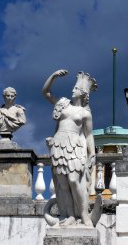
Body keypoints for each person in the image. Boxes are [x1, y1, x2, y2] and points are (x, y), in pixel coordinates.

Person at [42, 69, 97, 227]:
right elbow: (46, 92)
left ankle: (84, 214)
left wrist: (92, 153)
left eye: (76, 88)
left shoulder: (85, 113)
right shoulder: (63, 104)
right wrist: (53, 76)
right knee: (63, 184)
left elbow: (88, 135)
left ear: (83, 93)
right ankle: (70, 215)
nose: (72, 90)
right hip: (59, 145)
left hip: (74, 146)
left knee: (74, 180)